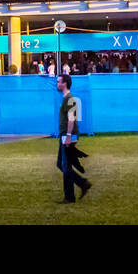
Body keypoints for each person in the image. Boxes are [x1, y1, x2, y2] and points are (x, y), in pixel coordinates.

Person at [56, 74, 91, 203]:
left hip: (68, 135)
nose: (57, 84)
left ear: (64, 84)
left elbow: (71, 119)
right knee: (61, 164)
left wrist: (69, 136)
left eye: (59, 81)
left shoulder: (70, 99)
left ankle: (70, 196)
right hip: (65, 135)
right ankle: (82, 183)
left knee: (65, 166)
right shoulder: (66, 99)